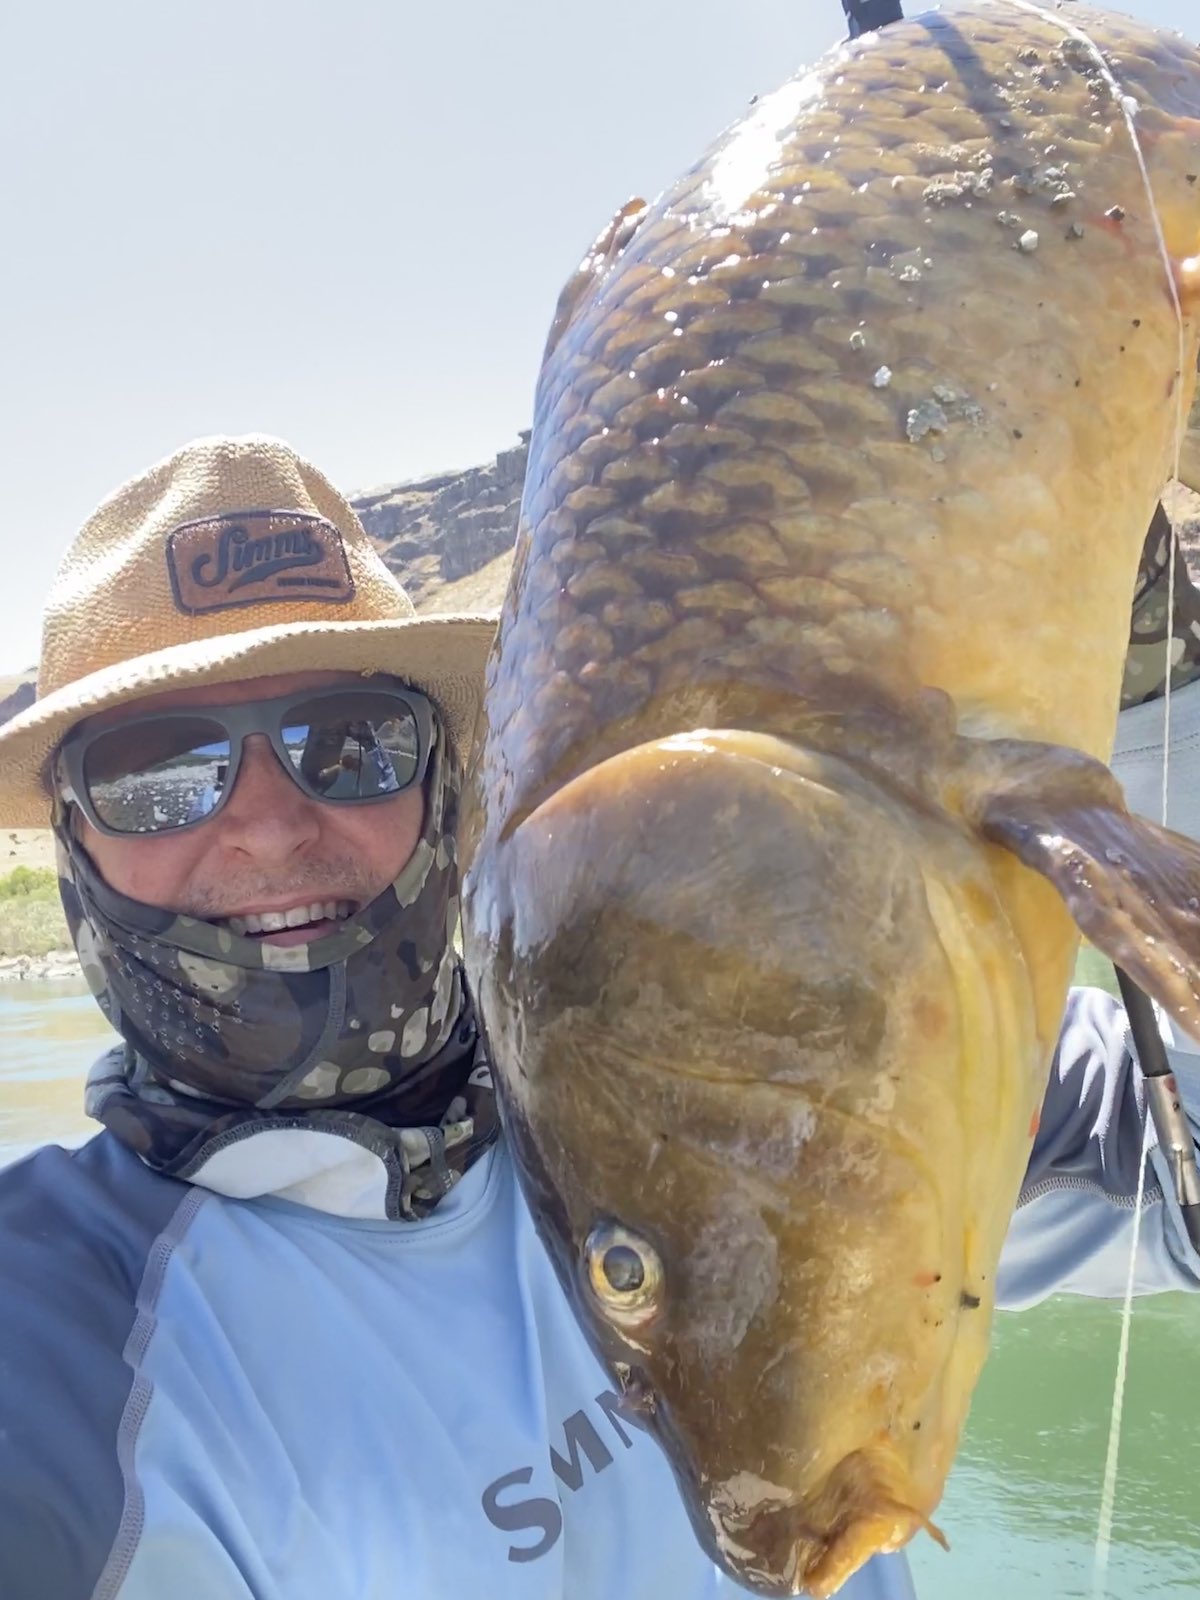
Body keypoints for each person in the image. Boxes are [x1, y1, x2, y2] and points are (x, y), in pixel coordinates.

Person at [0, 433, 1196, 1600]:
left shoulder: (722, 1065)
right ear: (74, 840)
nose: (265, 822)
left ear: (444, 780)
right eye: (157, 770)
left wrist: (1148, 714)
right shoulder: (50, 1341)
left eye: (349, 744)